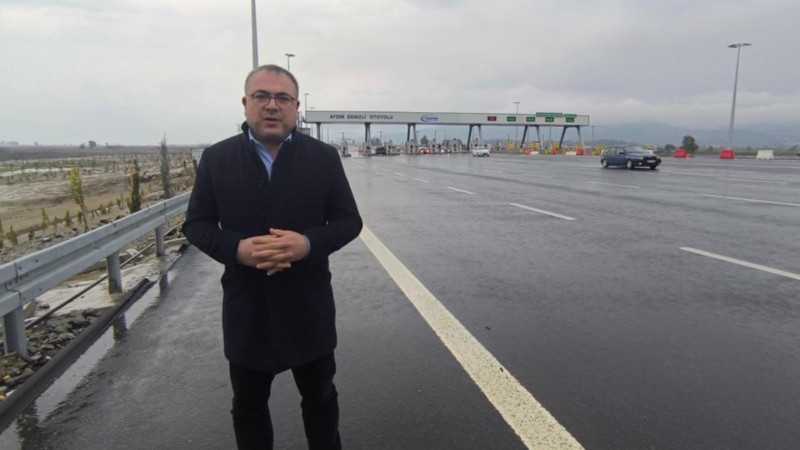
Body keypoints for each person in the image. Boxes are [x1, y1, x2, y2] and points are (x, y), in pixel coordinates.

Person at [183, 64, 362, 449]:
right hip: (247, 309)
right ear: (246, 102)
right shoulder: (217, 159)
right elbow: (196, 225)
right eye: (262, 96)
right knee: (248, 408)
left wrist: (307, 244)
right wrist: (237, 250)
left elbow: (349, 221)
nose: (272, 105)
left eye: (283, 98)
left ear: (296, 107)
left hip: (308, 308)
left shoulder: (323, 158)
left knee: (321, 400)